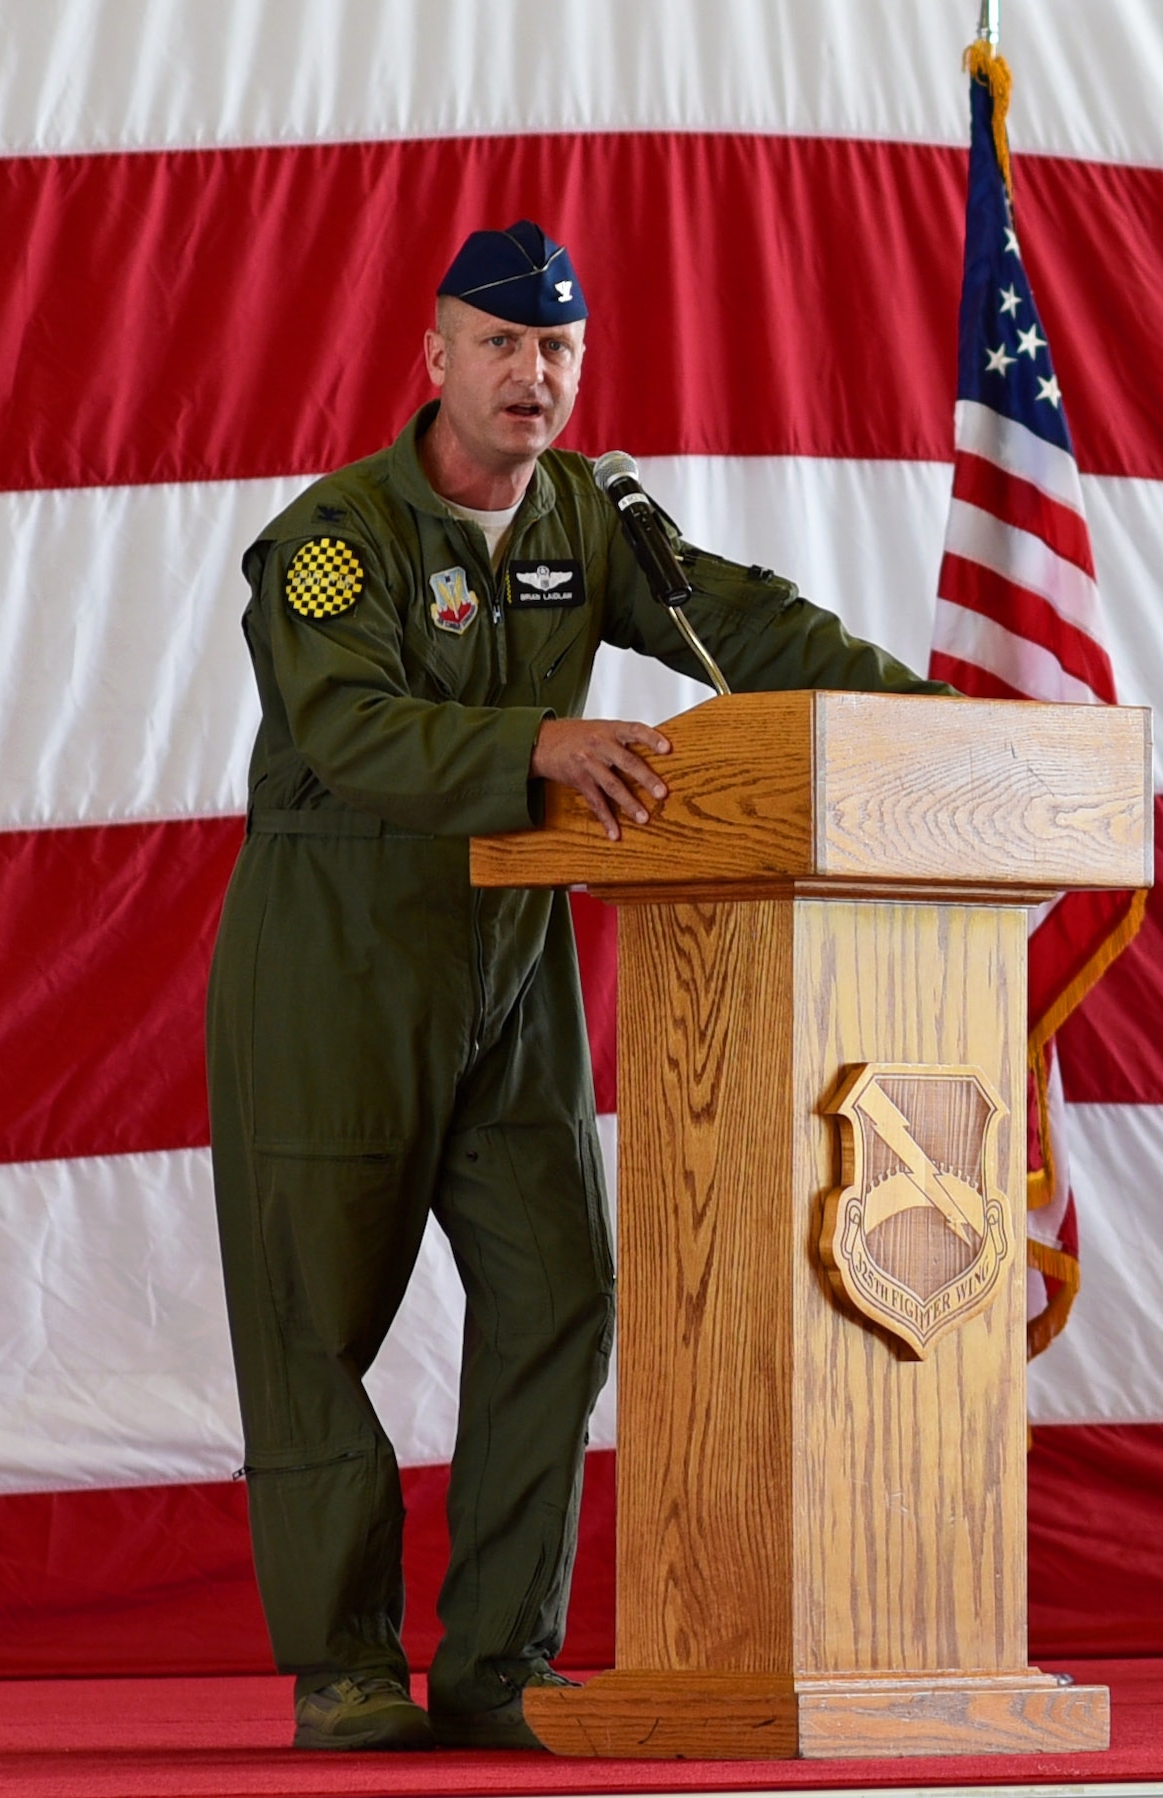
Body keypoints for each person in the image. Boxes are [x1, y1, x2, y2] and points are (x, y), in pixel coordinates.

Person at [206, 220, 949, 1752]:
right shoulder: (338, 537)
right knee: (314, 1315)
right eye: (499, 345)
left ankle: (499, 1659)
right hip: (336, 957)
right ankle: (344, 1659)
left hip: (514, 959)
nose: (530, 376)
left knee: (561, 1289)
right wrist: (535, 746)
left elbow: (745, 625)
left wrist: (931, 719)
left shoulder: (591, 520)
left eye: (555, 349)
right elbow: (347, 729)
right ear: (434, 358)